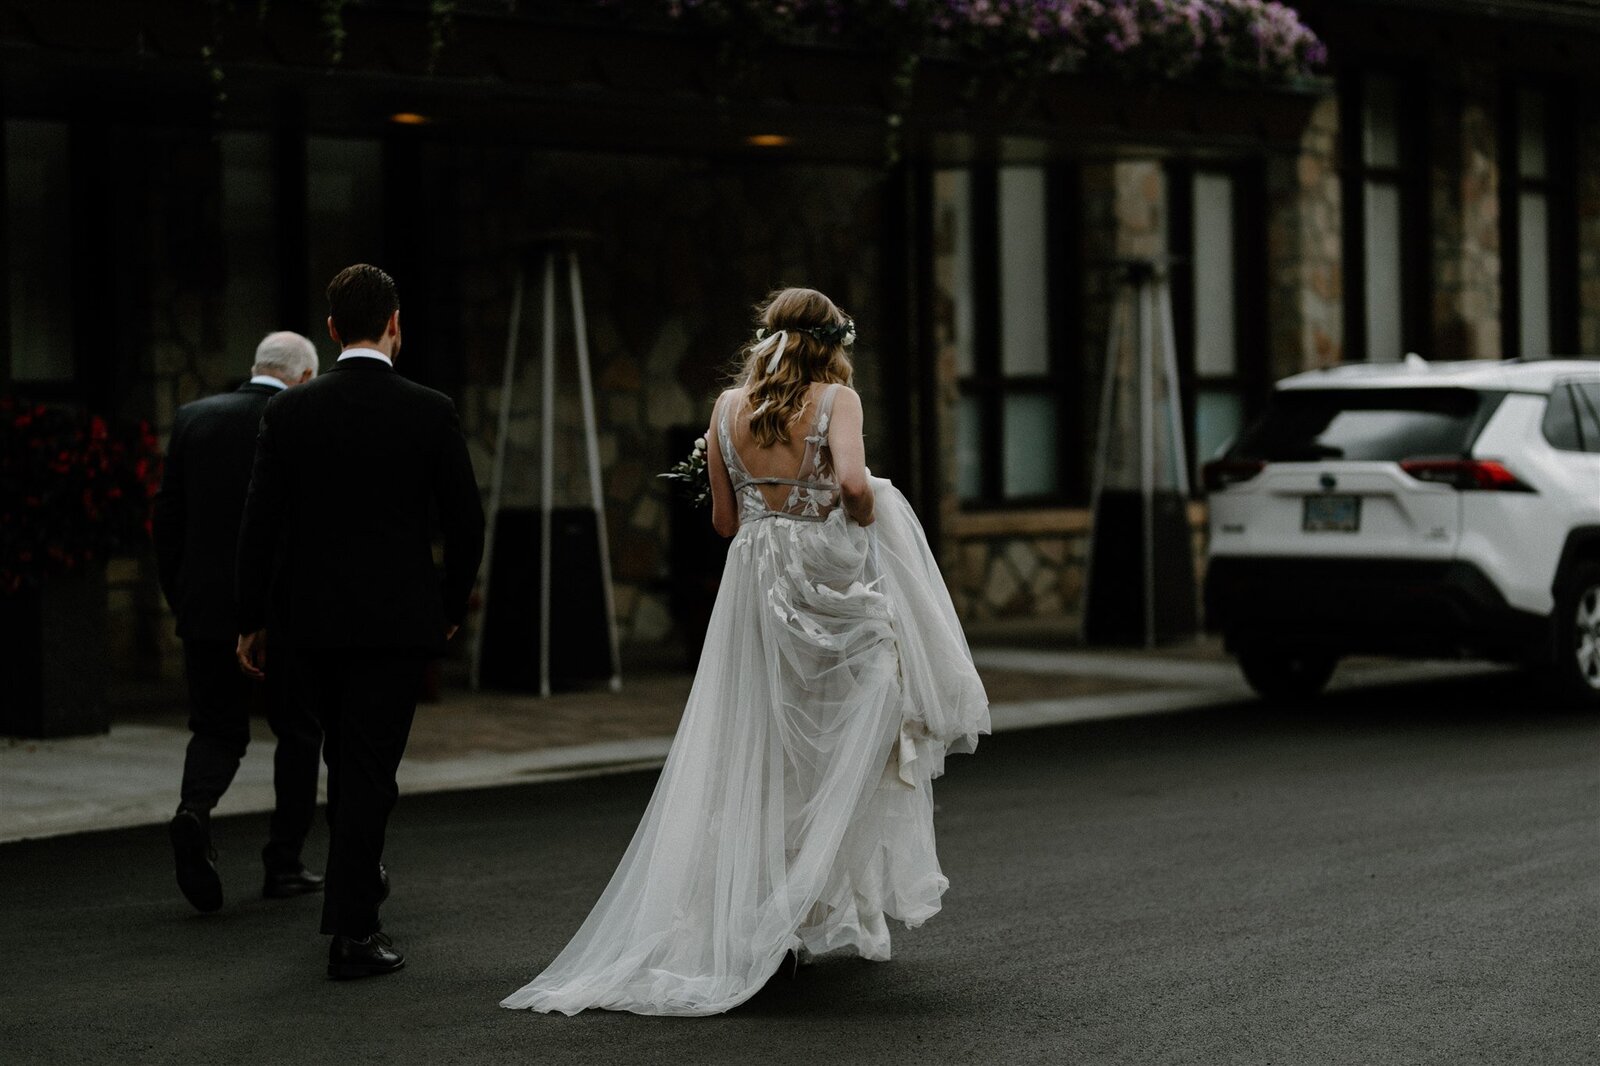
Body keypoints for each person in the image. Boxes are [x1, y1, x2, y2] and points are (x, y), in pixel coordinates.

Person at [502, 287, 989, 1016]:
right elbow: (853, 483)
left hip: (753, 585)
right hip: (821, 577)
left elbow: (726, 522)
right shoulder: (835, 401)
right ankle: (791, 903)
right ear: (833, 343)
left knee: (755, 740)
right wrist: (859, 510)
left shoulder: (728, 409)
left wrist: (773, 509)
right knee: (866, 705)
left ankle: (769, 914)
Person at [235, 264, 485, 981]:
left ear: (333, 329)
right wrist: (446, 604)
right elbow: (465, 523)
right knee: (369, 768)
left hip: (309, 621)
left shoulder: (288, 413)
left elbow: (259, 526)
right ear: (395, 325)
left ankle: (355, 888)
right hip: (396, 621)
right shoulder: (429, 409)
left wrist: (252, 618)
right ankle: (354, 928)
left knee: (343, 759)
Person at [153, 331, 324, 914]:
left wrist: (182, 597)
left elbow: (167, 522)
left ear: (257, 366)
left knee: (216, 729)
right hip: (283, 614)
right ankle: (284, 863)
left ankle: (193, 812)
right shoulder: (300, 418)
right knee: (298, 731)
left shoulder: (194, 419)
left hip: (204, 607)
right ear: (303, 377)